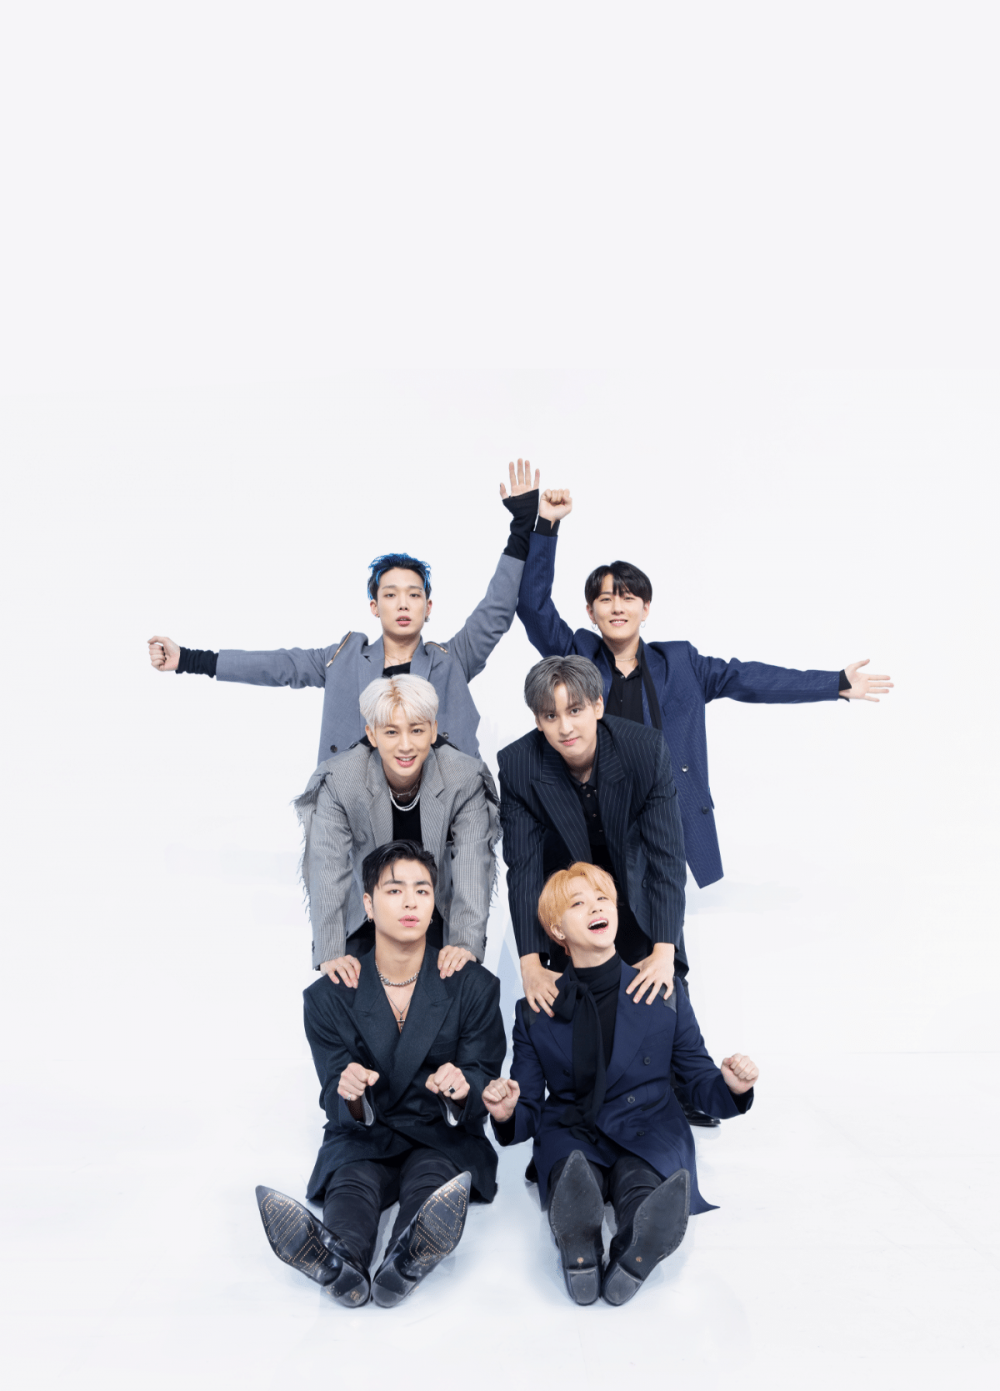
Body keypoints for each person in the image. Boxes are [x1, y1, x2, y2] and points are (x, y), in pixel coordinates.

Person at [515, 485, 894, 888]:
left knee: (657, 922)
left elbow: (749, 678)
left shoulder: (680, 664)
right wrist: (547, 526)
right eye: (606, 600)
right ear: (591, 612)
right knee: (587, 920)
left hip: (656, 824)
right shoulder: (577, 655)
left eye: (628, 598)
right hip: (588, 821)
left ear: (646, 608)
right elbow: (533, 607)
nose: (618, 607)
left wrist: (834, 683)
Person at [482, 862, 758, 1306]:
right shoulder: (534, 1009)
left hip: (649, 1125)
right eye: (578, 903)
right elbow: (529, 1106)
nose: (596, 907)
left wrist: (733, 1087)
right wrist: (507, 1112)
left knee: (639, 1179)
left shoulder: (664, 991)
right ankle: (579, 1242)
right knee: (575, 1172)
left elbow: (698, 1081)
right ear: (557, 930)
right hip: (573, 1128)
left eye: (603, 899)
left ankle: (637, 1245)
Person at [147, 460, 542, 763]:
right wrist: (189, 660)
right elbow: (277, 665)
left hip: (439, 815)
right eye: (390, 595)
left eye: (414, 595)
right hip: (358, 816)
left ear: (428, 607)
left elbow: (496, 610)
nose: (403, 603)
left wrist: (522, 528)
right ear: (374, 606)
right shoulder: (344, 659)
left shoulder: (451, 661)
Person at [255, 841, 506, 1309]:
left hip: (438, 1132)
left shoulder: (473, 986)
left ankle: (406, 1258)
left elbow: (482, 1075)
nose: (411, 902)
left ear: (434, 903)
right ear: (368, 905)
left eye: (422, 890)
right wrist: (349, 1091)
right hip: (365, 1133)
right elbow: (332, 1090)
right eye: (394, 890)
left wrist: (461, 1087)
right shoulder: (328, 996)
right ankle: (337, 1258)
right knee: (352, 1183)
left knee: (430, 1179)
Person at [497, 654, 686, 1019]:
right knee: (573, 1018)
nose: (565, 727)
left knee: (663, 1010)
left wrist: (664, 952)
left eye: (575, 710)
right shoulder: (519, 765)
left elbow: (666, 859)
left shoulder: (644, 750)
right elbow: (523, 869)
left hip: (637, 888)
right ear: (538, 721)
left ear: (598, 706)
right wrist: (531, 964)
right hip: (569, 897)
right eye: (551, 716)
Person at [294, 674, 498, 984]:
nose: (405, 746)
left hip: (435, 911)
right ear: (372, 735)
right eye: (391, 732)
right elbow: (327, 867)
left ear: (433, 730)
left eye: (417, 730)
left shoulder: (464, 778)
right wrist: (330, 950)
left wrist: (465, 944)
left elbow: (472, 867)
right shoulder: (340, 780)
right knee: (343, 986)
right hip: (367, 914)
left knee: (457, 983)